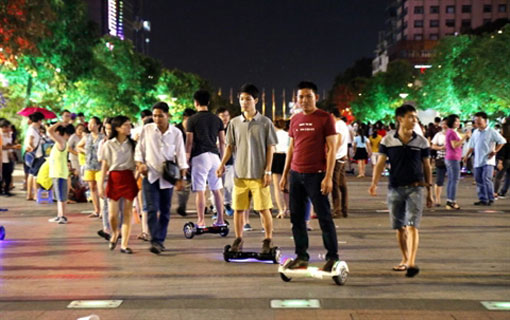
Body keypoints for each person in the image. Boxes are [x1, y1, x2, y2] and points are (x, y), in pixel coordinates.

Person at [279, 81, 339, 272]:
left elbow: (331, 148)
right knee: (296, 218)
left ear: (316, 98)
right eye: (301, 97)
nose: (304, 100)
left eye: (308, 96)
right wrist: (285, 174)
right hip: (296, 174)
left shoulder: (325, 118)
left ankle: (332, 257)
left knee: (324, 217)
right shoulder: (295, 119)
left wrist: (328, 177)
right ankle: (301, 256)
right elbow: (291, 147)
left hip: (317, 175)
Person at [369, 104, 433, 278]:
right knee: (399, 227)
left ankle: (412, 262)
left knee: (412, 226)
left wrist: (430, 191)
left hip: (416, 188)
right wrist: (374, 183)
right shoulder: (388, 140)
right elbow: (381, 162)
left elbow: (427, 166)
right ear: (400, 118)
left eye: (415, 117)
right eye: (411, 117)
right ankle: (404, 259)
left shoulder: (422, 141)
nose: (414, 120)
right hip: (395, 187)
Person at [217, 83, 277, 254]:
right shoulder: (234, 123)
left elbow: (270, 148)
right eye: (242, 99)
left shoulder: (265, 122)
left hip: (259, 175)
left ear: (256, 100)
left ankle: (267, 239)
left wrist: (268, 171)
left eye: (248, 99)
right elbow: (229, 147)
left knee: (263, 209)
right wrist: (221, 165)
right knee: (238, 209)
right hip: (240, 175)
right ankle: (238, 238)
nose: (244, 102)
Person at [135, 102, 188, 255]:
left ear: (168, 115)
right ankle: (155, 240)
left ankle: (160, 239)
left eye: (160, 115)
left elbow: (181, 155)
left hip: (168, 177)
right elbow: (140, 150)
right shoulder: (147, 130)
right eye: (155, 115)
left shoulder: (176, 133)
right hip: (150, 175)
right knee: (151, 209)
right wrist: (140, 165)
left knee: (165, 211)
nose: (157, 119)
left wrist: (181, 178)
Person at [185, 90, 226, 227]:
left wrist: (187, 158)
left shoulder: (192, 120)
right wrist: (223, 161)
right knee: (216, 190)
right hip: (215, 157)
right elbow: (222, 141)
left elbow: (189, 142)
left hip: (199, 156)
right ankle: (220, 220)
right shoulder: (217, 119)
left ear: (195, 102)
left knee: (200, 190)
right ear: (208, 102)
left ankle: (201, 221)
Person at [98, 116, 138, 254]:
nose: (128, 127)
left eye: (129, 125)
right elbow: (104, 165)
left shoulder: (133, 144)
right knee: (112, 215)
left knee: (127, 213)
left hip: (128, 177)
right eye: (125, 125)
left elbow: (137, 164)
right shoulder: (108, 144)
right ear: (117, 128)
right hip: (114, 178)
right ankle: (115, 232)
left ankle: (124, 244)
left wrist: (136, 176)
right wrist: (100, 184)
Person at [463, 112, 506, 206]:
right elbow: (472, 145)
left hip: (488, 160)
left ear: (485, 121)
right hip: (477, 160)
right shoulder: (475, 132)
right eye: (475, 121)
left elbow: (502, 141)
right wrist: (466, 155)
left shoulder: (491, 131)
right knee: (478, 180)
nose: (477, 123)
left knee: (486, 179)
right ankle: (483, 198)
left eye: (479, 121)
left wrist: (495, 151)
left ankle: (490, 198)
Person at [47, 122, 76, 224]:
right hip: (57, 172)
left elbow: (49, 131)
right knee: (59, 197)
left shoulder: (61, 141)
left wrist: (59, 122)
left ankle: (62, 216)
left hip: (60, 173)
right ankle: (59, 215)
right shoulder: (60, 142)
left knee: (61, 197)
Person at [77, 117, 104, 217]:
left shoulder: (103, 137)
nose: (89, 126)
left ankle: (102, 211)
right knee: (92, 188)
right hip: (89, 165)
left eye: (92, 124)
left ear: (98, 125)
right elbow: (78, 146)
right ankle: (96, 210)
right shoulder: (86, 137)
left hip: (100, 166)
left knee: (100, 188)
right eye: (89, 124)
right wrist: (85, 152)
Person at [444, 114, 470, 210]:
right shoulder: (452, 133)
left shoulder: (450, 132)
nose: (458, 123)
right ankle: (452, 201)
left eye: (459, 121)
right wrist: (465, 137)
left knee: (451, 180)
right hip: (453, 158)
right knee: (454, 180)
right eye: (456, 121)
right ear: (452, 122)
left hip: (451, 157)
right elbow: (455, 145)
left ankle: (449, 200)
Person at [175, 108, 196, 217]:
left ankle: (183, 206)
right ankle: (181, 206)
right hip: (177, 161)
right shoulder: (176, 130)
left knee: (189, 184)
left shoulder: (195, 130)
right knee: (182, 184)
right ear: (185, 118)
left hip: (192, 161)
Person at [331, 109, 349, 218]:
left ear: (332, 115)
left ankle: (337, 210)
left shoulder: (337, 125)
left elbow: (338, 140)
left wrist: (332, 153)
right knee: (342, 184)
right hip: (342, 155)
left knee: (334, 184)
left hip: (337, 157)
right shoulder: (343, 124)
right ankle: (344, 208)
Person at [24, 112, 46, 201]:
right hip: (36, 155)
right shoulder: (32, 130)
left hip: (35, 155)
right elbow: (30, 142)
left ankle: (30, 194)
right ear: (39, 120)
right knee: (35, 175)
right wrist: (32, 148)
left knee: (31, 173)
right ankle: (35, 194)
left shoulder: (33, 129)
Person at [272, 119, 290, 219]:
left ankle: (280, 210)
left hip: (276, 158)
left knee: (277, 187)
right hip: (287, 158)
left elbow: (272, 148)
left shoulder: (273, 135)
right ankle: (287, 208)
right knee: (286, 186)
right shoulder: (288, 135)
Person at [1, 120, 21, 196]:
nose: (10, 129)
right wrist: (12, 146)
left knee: (8, 174)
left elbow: (8, 144)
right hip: (2, 158)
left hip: (9, 157)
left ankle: (6, 190)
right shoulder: (1, 135)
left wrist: (13, 145)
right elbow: (2, 147)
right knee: (3, 175)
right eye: (8, 127)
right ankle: (3, 190)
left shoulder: (9, 134)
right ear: (4, 127)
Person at [430, 119, 447, 207]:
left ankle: (451, 199)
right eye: (443, 124)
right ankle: (438, 198)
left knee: (453, 180)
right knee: (439, 180)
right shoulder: (438, 135)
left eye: (446, 124)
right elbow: (432, 146)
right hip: (440, 158)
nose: (444, 125)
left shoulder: (454, 134)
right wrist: (441, 148)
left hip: (452, 159)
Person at [494, 119, 510, 198]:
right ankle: (503, 192)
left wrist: (499, 161)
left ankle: (495, 192)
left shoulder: (503, 137)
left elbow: (501, 151)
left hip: (505, 160)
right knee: (508, 177)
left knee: (499, 177)